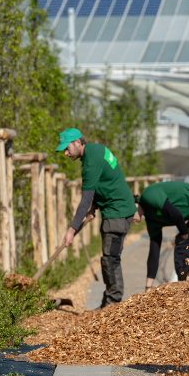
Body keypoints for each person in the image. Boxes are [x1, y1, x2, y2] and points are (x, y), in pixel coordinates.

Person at [59, 128, 136, 308]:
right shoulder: (97, 150)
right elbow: (107, 182)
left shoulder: (90, 163)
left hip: (116, 213)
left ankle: (112, 305)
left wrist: (71, 231)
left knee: (110, 258)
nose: (65, 153)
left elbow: (84, 200)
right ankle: (108, 301)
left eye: (67, 148)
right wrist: (95, 206)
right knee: (110, 257)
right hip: (117, 209)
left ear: (78, 142)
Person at [134, 181, 189, 290]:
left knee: (183, 246)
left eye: (127, 216)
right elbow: (154, 252)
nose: (128, 221)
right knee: (182, 248)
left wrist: (183, 234)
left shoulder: (148, 195)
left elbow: (176, 214)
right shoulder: (151, 220)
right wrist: (148, 287)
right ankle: (187, 289)